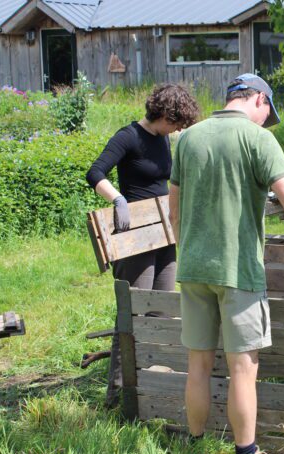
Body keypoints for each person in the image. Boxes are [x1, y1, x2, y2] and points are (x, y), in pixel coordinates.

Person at [169, 73, 284, 454]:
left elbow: (174, 211)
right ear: (259, 100)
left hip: (193, 268)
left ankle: (195, 448)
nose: (267, 121)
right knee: (242, 368)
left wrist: (191, 250)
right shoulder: (258, 139)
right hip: (238, 270)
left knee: (197, 363)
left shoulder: (189, 138)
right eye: (269, 112)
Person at [86, 83, 200, 408]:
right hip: (134, 235)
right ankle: (119, 395)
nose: (179, 129)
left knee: (162, 309)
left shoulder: (163, 138)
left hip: (164, 232)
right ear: (163, 114)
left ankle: (153, 382)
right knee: (133, 314)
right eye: (176, 122)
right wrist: (118, 199)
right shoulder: (128, 137)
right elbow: (95, 172)